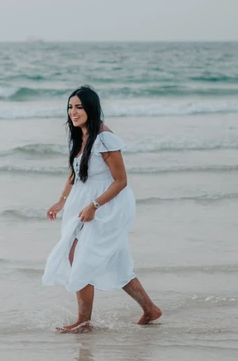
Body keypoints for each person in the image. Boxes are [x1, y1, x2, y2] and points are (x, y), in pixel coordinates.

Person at [43, 86, 161, 332]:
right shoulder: (79, 135)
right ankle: (150, 310)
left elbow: (121, 181)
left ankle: (84, 322)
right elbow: (76, 173)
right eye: (70, 107)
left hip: (109, 205)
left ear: (91, 108)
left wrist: (94, 205)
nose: (73, 112)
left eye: (79, 107)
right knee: (115, 261)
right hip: (85, 203)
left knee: (81, 257)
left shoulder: (104, 137)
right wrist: (61, 200)